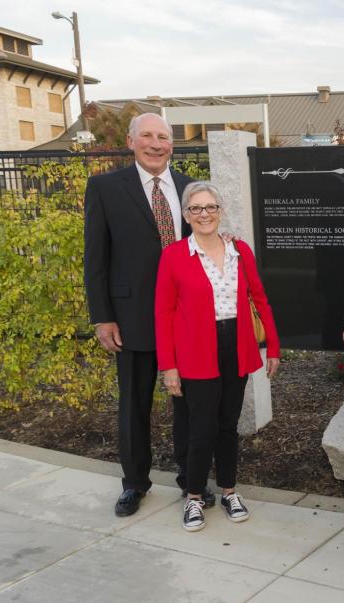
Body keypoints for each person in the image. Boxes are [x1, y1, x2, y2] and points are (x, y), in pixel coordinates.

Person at [84, 112, 214, 516]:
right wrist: (102, 316)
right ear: (131, 141)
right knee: (134, 405)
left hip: (185, 318)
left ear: (172, 144)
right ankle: (134, 483)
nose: (156, 144)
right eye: (147, 136)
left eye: (163, 137)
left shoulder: (188, 188)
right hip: (131, 316)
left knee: (189, 406)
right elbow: (96, 259)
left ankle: (190, 482)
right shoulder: (105, 188)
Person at [155, 181, 280, 531]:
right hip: (196, 353)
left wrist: (273, 344)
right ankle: (194, 496)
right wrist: (169, 366)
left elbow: (260, 297)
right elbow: (163, 314)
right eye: (196, 208)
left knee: (228, 426)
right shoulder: (175, 256)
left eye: (210, 207)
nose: (204, 214)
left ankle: (229, 491)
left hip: (235, 347)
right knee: (202, 428)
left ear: (220, 211)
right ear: (186, 215)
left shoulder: (239, 250)